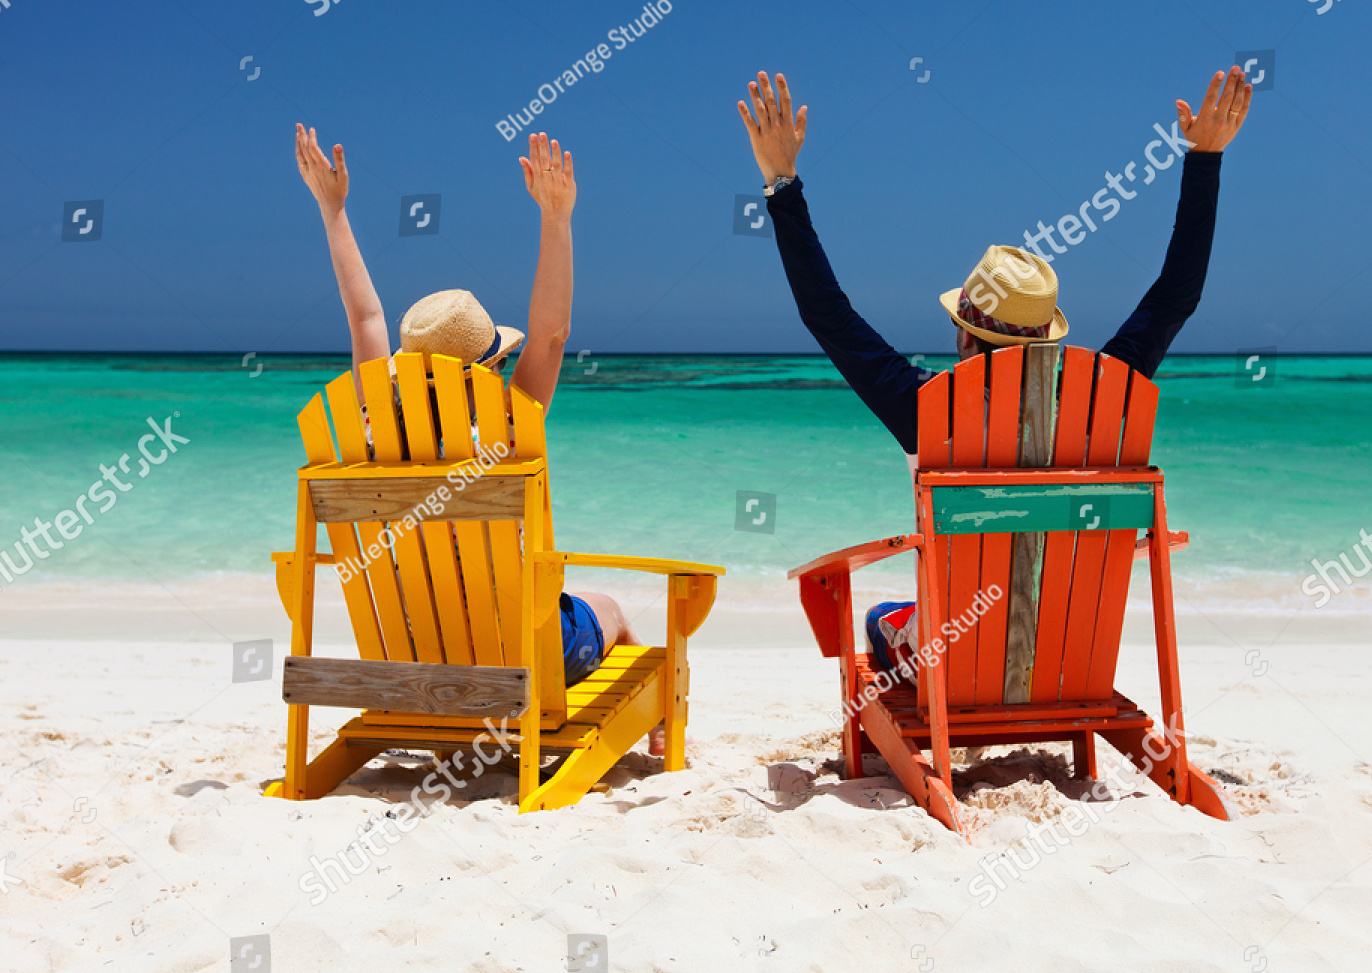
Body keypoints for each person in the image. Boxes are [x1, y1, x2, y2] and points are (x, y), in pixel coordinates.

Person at [736, 67, 1252, 674]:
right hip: (1069, 658)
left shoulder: (926, 406)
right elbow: (1175, 296)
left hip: (951, 660)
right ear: (1047, 332)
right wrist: (1205, 160)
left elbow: (825, 312)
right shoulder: (1102, 396)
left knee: (883, 619)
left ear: (961, 331)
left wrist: (781, 182)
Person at [294, 125, 664, 752]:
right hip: (520, 659)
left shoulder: (375, 430)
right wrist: (556, 216)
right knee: (611, 610)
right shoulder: (510, 427)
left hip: (411, 653)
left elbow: (366, 318)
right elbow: (550, 334)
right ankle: (657, 737)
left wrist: (332, 209)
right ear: (488, 369)